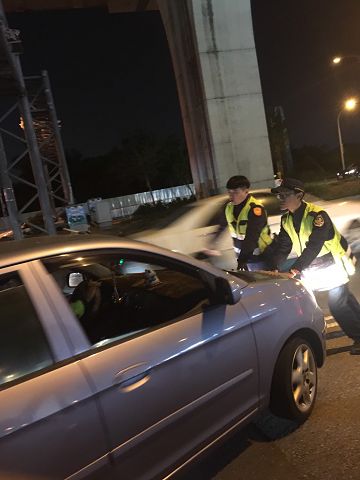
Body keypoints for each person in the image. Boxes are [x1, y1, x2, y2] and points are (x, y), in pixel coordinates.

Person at [264, 177, 360, 355]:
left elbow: (315, 245)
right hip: (315, 267)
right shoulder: (287, 219)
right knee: (346, 300)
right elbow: (284, 246)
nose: (281, 199)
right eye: (279, 195)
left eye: (285, 194)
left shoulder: (317, 216)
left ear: (299, 195)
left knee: (338, 304)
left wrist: (296, 268)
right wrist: (274, 267)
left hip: (334, 263)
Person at [207, 175, 273, 271]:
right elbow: (221, 227)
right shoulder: (228, 208)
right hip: (244, 257)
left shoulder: (255, 209)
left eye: (236, 192)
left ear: (246, 191)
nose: (231, 195)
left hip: (260, 256)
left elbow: (252, 237)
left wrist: (242, 260)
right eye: (229, 192)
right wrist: (212, 243)